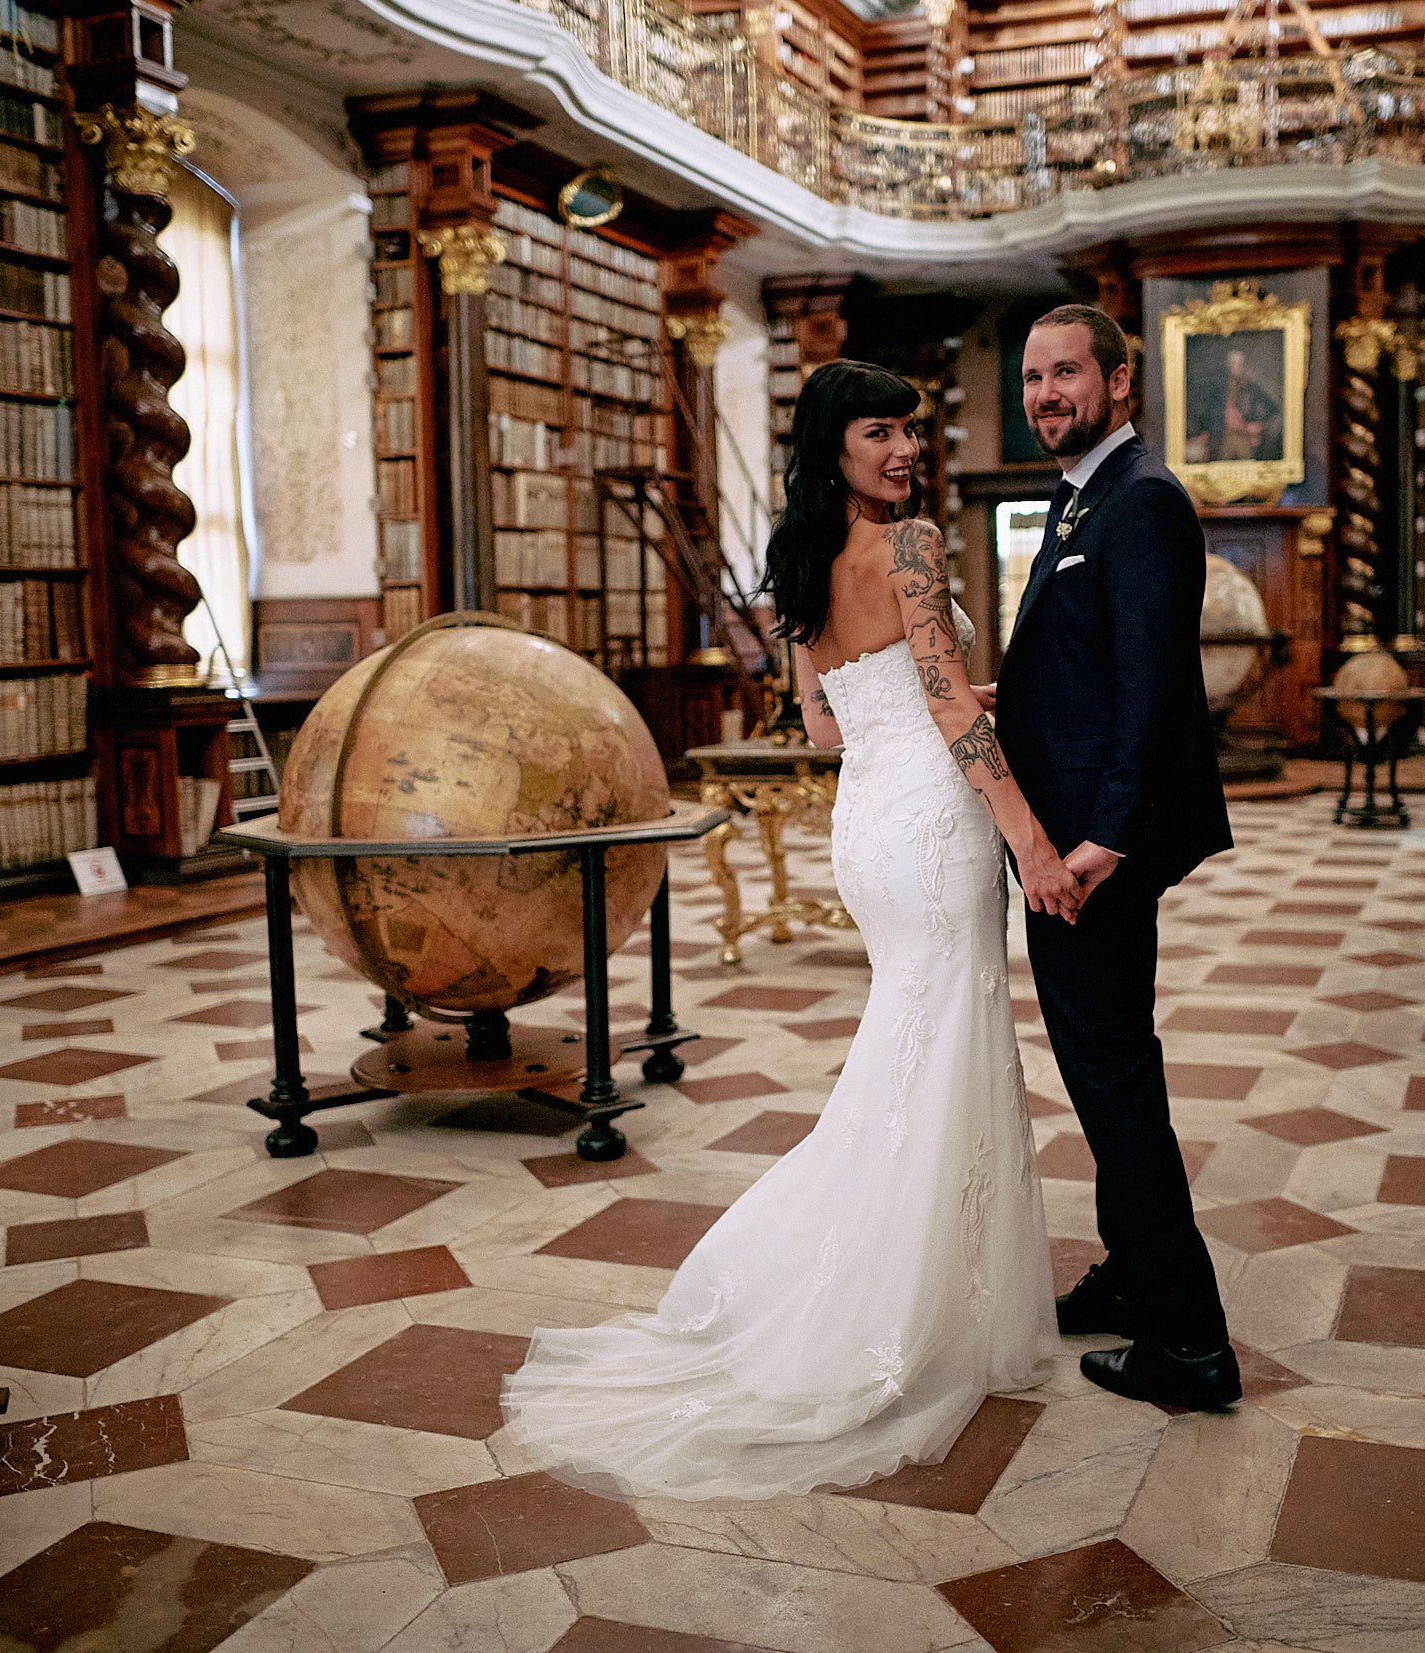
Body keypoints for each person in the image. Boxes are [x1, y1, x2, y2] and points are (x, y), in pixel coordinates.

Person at [500, 360, 1085, 1501]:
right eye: (880, 432)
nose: (904, 451)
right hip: (930, 826)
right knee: (944, 1049)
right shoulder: (910, 546)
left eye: (910, 430)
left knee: (914, 1051)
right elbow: (950, 704)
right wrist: (1027, 839)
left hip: (868, 822)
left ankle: (912, 1286)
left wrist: (928, 718)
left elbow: (824, 720)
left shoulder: (794, 560)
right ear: (834, 445)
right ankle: (900, 1309)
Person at [986, 303, 1240, 1411]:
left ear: (1119, 381)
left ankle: (1187, 1344)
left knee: (1114, 1086)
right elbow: (1091, 669)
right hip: (1084, 832)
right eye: (1032, 376)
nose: (1044, 393)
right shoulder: (1083, 492)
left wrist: (1104, 839)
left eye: (1065, 374)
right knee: (1104, 1076)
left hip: (1093, 853)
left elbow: (1153, 692)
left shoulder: (1139, 501)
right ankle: (1134, 1274)